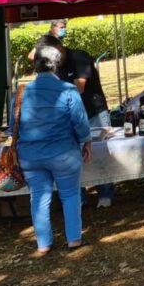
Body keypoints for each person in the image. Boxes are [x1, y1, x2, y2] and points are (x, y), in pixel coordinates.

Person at [18, 39, 91, 254]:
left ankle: (43, 243)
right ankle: (74, 239)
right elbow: (80, 121)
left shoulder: (22, 93)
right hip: (63, 152)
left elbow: (13, 126)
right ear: (56, 65)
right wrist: (87, 140)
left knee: (39, 198)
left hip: (30, 155)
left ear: (36, 65)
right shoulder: (67, 89)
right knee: (70, 195)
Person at [58, 45, 114, 207]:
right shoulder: (54, 65)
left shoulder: (79, 57)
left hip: (94, 112)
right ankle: (81, 196)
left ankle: (105, 194)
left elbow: (80, 87)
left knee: (101, 152)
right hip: (71, 115)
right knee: (74, 156)